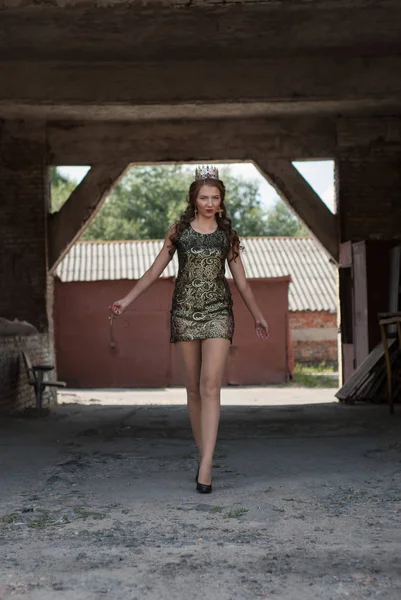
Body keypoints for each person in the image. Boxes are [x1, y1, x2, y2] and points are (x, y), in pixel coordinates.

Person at [110, 166, 269, 494]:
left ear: (221, 201)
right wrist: (126, 300)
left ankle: (207, 465)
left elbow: (241, 281)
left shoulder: (228, 235)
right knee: (194, 390)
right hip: (184, 313)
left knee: (211, 385)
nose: (210, 202)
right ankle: (203, 455)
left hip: (218, 313)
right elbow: (155, 270)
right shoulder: (179, 231)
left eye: (215, 197)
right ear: (194, 200)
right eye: (204, 197)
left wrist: (257, 315)